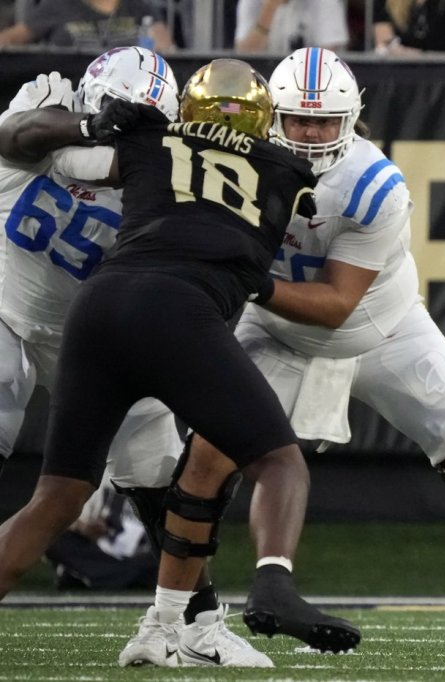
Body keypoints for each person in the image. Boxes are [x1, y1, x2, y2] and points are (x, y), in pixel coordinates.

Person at [163, 46, 445, 673]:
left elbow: (337, 305)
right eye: (298, 120)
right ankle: (173, 624)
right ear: (270, 117)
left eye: (324, 122)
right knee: (203, 462)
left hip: (381, 328)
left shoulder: (371, 184)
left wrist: (243, 281)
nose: (310, 134)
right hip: (279, 331)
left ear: (350, 121)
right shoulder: (234, 162)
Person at [0, 58, 355, 667]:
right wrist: (82, 125)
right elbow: (15, 137)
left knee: (138, 480)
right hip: (12, 303)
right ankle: (272, 580)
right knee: (277, 459)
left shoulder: (143, 151)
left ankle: (193, 623)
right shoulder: (277, 172)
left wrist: (89, 136)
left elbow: (76, 157)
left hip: (89, 319)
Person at [44, 476, 158, 591]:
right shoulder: (97, 476)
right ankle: (131, 578)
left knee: (161, 556)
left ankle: (104, 578)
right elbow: (67, 520)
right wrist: (85, 527)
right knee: (53, 538)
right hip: (101, 554)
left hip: (145, 556)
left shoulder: (160, 478)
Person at [0, 0, 174, 51]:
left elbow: (165, 48)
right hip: (70, 90)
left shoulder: (140, 7)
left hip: (128, 91)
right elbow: (10, 37)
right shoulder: (58, 6)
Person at [234, 0, 349, 53]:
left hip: (309, 81)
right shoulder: (251, 2)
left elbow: (329, 58)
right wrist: (270, 8)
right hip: (264, 79)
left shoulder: (325, 2)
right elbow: (244, 56)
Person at [373, 0, 445, 55]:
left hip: (444, 80)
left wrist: (416, 56)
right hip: (398, 79)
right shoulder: (386, 2)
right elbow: (385, 48)